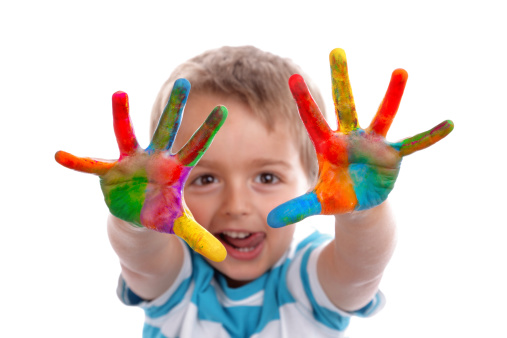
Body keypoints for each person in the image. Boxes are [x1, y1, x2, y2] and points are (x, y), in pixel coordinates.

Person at [56, 45, 453, 337]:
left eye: (266, 178)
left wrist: (364, 212)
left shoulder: (307, 278)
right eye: (205, 179)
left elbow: (360, 269)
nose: (236, 206)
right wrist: (135, 224)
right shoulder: (176, 280)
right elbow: (142, 261)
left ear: (315, 177)